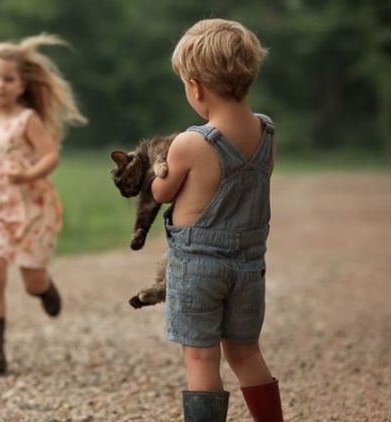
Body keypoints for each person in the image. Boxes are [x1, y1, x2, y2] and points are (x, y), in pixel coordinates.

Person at [150, 19, 283, 421]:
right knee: (245, 352)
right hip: (247, 266)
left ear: (195, 86)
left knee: (201, 359)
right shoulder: (265, 132)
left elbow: (161, 193)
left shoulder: (192, 142)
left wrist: (159, 163)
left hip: (198, 268)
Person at [0, 34, 87, 376]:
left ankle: (44, 287)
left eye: (9, 79)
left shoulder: (26, 120)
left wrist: (28, 175)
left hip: (29, 208)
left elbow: (50, 155)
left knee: (31, 280)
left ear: (22, 85)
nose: (1, 85)